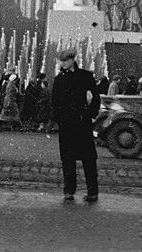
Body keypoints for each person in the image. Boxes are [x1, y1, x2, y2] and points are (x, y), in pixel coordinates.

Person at [51, 49, 101, 202]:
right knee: (68, 159)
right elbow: (55, 102)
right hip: (67, 126)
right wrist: (58, 120)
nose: (63, 63)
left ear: (72, 60)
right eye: (61, 61)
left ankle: (92, 192)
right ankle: (69, 191)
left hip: (82, 124)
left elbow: (96, 98)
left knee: (88, 160)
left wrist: (91, 115)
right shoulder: (59, 79)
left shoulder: (86, 76)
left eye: (65, 60)